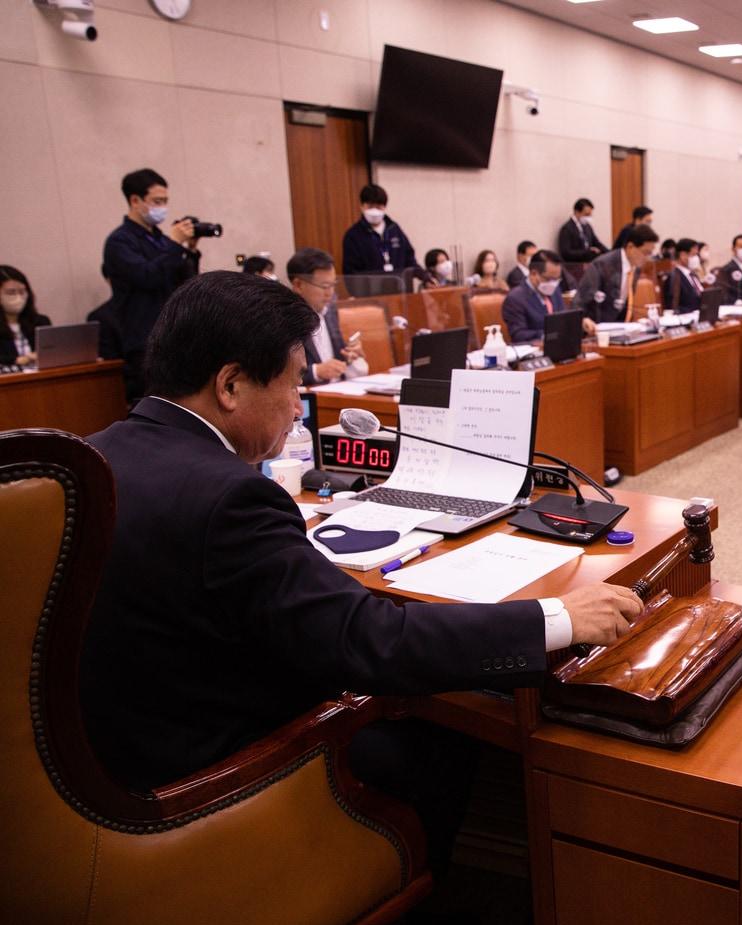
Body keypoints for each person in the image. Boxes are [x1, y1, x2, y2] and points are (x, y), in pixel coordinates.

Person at [80, 270, 642, 881]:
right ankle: (423, 892)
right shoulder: (230, 497)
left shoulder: (93, 455)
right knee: (441, 732)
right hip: (209, 780)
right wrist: (558, 616)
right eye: (294, 382)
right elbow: (370, 640)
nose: (299, 405)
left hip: (114, 753)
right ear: (231, 384)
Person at [103, 167, 202, 400]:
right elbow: (147, 277)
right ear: (135, 200)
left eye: (166, 201)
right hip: (144, 340)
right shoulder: (119, 242)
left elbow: (187, 284)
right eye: (157, 201)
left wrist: (190, 250)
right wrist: (175, 244)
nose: (163, 207)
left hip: (175, 337)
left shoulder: (161, 239)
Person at [286, 247, 364, 386]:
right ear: (298, 285)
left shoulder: (330, 312)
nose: (330, 293)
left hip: (340, 390)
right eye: (324, 286)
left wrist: (350, 356)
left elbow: (337, 361)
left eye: (333, 285)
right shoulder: (285, 319)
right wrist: (316, 372)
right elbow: (279, 374)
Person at [573, 224, 660, 332]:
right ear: (630, 247)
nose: (647, 258)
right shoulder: (602, 265)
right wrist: (583, 319)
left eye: (650, 254)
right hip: (596, 329)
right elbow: (580, 299)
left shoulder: (636, 267)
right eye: (645, 253)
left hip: (620, 327)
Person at [341, 183, 418, 277]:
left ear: (384, 207)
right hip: (369, 290)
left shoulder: (394, 229)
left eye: (378, 207)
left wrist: (424, 275)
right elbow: (351, 273)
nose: (374, 211)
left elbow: (410, 259)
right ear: (361, 206)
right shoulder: (353, 235)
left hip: (399, 287)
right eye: (370, 206)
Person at [501, 249, 564, 342]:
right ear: (534, 274)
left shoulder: (555, 291)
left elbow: (563, 318)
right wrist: (548, 335)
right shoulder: (515, 298)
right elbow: (518, 334)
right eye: (549, 279)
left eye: (556, 280)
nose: (553, 284)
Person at [0, 266, 50, 368]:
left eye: (22, 292)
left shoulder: (40, 321)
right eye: (11, 292)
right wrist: (16, 360)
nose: (18, 297)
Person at [558, 198, 606, 263]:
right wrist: (587, 252)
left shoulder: (587, 226)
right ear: (577, 212)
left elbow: (597, 243)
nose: (589, 217)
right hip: (575, 265)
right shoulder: (567, 229)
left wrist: (610, 252)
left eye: (590, 215)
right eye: (586, 214)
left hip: (590, 263)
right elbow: (566, 253)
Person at [666, 238, 705, 312]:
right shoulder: (674, 277)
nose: (696, 258)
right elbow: (673, 306)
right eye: (694, 255)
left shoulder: (693, 275)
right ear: (683, 255)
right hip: (687, 317)